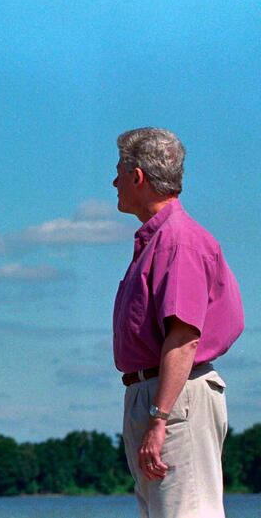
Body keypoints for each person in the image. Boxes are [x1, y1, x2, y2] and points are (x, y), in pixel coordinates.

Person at [111, 128, 244, 518]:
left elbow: (184, 337)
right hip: (157, 393)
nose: (113, 181)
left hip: (174, 395)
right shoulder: (158, 240)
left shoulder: (178, 241)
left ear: (138, 177)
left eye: (118, 170)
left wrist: (159, 417)